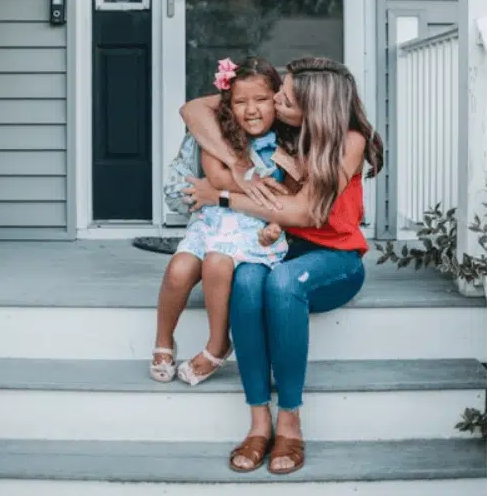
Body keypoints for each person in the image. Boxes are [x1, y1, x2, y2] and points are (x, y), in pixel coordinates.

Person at [181, 56, 383, 475]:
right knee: (249, 277)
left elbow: (306, 213)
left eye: (285, 97)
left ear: (314, 104)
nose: (275, 99)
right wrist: (237, 167)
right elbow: (196, 110)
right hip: (280, 247)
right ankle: (259, 421)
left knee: (283, 283)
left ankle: (289, 420)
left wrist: (221, 196)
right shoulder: (286, 130)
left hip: (336, 259)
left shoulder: (349, 141)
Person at [150, 56, 294, 386]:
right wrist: (248, 179)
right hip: (213, 221)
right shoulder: (217, 135)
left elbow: (287, 194)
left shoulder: (287, 144)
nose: (251, 109)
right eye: (241, 101)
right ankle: (163, 340)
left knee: (217, 264)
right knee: (178, 269)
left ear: (276, 99)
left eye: (260, 100)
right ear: (228, 104)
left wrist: (276, 223)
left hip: (252, 225)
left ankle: (218, 343)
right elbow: (214, 176)